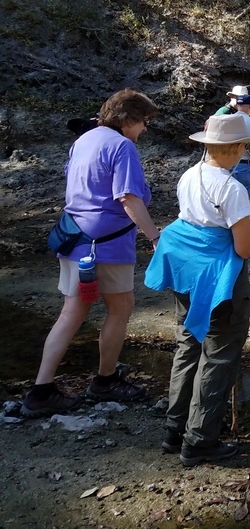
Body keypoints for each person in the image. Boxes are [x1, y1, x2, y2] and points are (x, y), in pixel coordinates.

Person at [21, 89, 160, 417]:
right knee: (121, 306)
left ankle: (41, 389)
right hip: (105, 246)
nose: (144, 129)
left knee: (72, 312)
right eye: (143, 122)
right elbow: (128, 197)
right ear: (127, 120)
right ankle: (105, 380)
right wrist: (155, 236)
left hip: (74, 239)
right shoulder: (122, 146)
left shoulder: (84, 140)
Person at [145, 113, 250, 466]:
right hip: (218, 277)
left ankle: (175, 428)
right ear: (236, 148)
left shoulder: (188, 175)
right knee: (220, 351)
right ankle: (200, 440)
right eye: (244, 147)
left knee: (188, 345)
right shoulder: (231, 188)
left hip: (187, 272)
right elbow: (243, 248)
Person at [213, 86, 250, 197]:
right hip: (243, 164)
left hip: (225, 164)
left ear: (238, 105)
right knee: (243, 199)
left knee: (226, 198)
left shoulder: (226, 119)